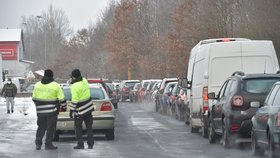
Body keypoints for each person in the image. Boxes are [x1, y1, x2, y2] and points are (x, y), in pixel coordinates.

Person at [32, 69, 66, 150]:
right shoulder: (55, 85)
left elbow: (34, 98)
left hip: (40, 112)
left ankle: (38, 143)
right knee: (50, 128)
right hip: (52, 111)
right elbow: (62, 99)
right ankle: (48, 144)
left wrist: (39, 106)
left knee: (41, 127)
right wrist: (64, 107)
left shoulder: (37, 85)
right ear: (52, 76)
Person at [70, 69, 94, 149]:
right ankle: (90, 143)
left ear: (73, 77)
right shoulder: (85, 81)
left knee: (78, 127)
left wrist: (71, 110)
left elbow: (75, 100)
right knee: (89, 127)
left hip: (79, 111)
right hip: (89, 108)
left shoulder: (74, 86)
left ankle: (80, 144)